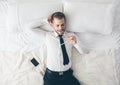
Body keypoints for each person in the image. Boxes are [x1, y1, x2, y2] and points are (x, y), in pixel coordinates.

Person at [31, 12, 85, 85]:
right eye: (57, 25)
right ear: (52, 24)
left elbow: (83, 51)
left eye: (62, 25)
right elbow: (29, 28)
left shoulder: (71, 36)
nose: (60, 28)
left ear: (65, 23)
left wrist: (76, 43)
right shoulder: (47, 36)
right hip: (51, 77)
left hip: (67, 76)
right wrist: (45, 20)